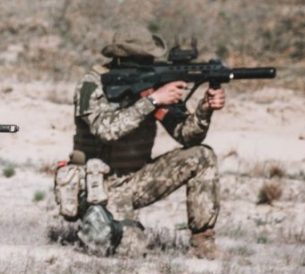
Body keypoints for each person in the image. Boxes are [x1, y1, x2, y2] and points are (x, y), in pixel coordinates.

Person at [62, 27, 224, 258]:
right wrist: (152, 101)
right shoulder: (93, 84)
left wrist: (205, 109)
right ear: (122, 58)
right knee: (131, 250)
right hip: (100, 186)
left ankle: (203, 244)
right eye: (142, 59)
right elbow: (105, 130)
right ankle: (101, 223)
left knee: (202, 156)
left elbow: (187, 135)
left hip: (137, 180)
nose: (149, 63)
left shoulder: (154, 85)